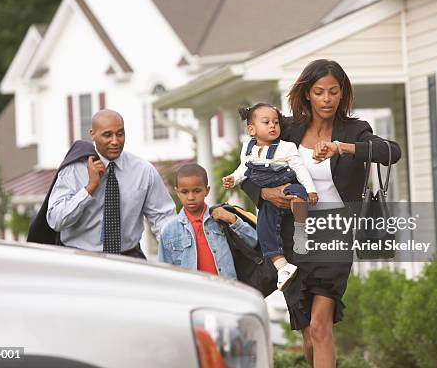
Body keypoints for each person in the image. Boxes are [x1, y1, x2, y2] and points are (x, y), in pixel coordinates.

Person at [242, 60, 401, 367]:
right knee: (308, 333)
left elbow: (391, 152)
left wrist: (342, 147)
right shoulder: (287, 130)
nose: (327, 99)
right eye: (319, 92)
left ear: (342, 94)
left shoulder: (355, 130)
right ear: (307, 95)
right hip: (293, 239)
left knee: (319, 325)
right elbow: (250, 165)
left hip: (335, 236)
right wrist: (264, 193)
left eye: (333, 91)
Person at [46, 109, 175, 258]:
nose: (115, 141)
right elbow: (55, 220)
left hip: (128, 258)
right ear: (92, 134)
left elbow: (164, 218)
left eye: (120, 134)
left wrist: (176, 256)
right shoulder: (73, 170)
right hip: (79, 259)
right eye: (107, 135)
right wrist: (89, 188)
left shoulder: (143, 171)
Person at [222, 103, 318, 291]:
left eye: (276, 122)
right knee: (264, 228)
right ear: (252, 129)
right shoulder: (248, 148)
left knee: (298, 197)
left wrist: (311, 190)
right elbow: (245, 169)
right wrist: (233, 179)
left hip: (289, 184)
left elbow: (300, 169)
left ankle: (301, 230)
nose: (273, 126)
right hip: (268, 199)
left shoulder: (286, 147)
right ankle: (282, 266)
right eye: (266, 122)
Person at [158, 164, 258, 279]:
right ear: (177, 192)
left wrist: (232, 219)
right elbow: (165, 273)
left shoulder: (222, 218)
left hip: (226, 291)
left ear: (207, 190)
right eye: (185, 192)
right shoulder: (169, 231)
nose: (191, 197)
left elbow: (253, 241)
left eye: (197, 191)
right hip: (191, 294)